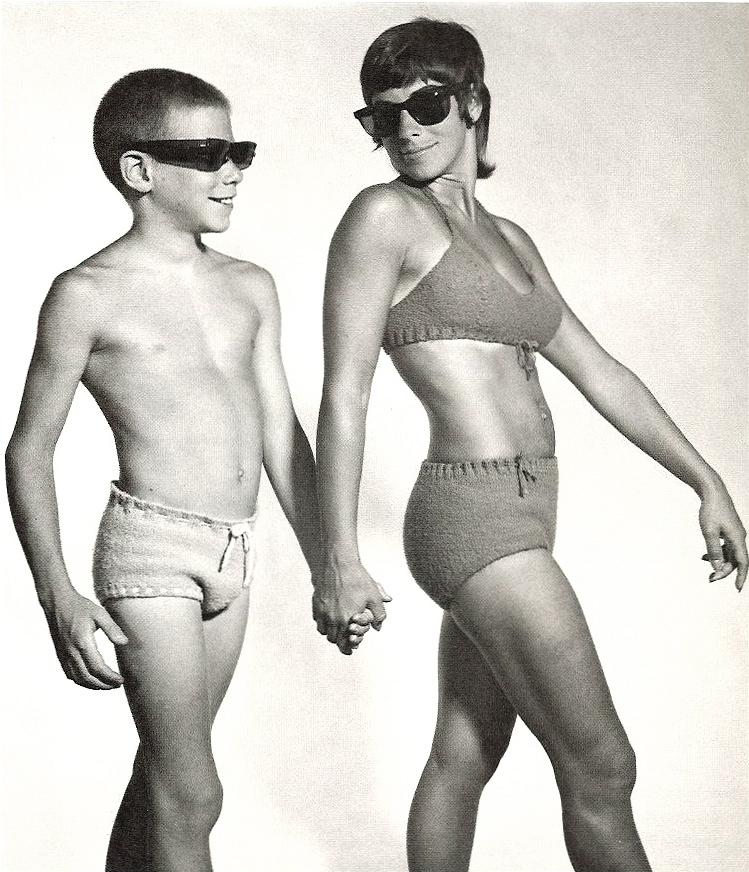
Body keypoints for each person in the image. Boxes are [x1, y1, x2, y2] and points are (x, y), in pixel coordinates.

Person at [313, 18, 747, 872]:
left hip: (530, 509)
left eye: (426, 104)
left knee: (463, 754)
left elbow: (600, 370)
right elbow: (343, 392)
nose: (405, 129)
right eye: (382, 116)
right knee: (602, 765)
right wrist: (337, 557)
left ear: (473, 101)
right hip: (470, 518)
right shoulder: (382, 216)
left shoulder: (511, 240)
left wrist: (706, 482)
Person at [4, 68, 342, 872]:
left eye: (239, 152)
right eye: (208, 154)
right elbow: (28, 449)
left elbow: (280, 434)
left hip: (235, 549)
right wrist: (58, 595)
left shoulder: (250, 286)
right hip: (150, 554)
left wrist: (332, 564)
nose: (232, 172)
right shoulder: (85, 293)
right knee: (192, 793)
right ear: (139, 170)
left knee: (163, 777)